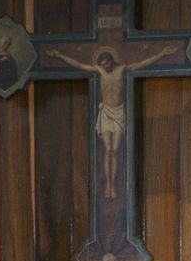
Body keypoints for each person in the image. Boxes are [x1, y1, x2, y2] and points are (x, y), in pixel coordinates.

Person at [46, 45, 177, 199]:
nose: (105, 67)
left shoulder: (122, 69)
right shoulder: (100, 71)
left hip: (119, 112)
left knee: (115, 150)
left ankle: (113, 184)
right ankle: (108, 184)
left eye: (106, 64)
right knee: (107, 150)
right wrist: (59, 54)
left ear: (111, 60)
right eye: (102, 65)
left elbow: (142, 63)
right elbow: (79, 65)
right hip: (106, 112)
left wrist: (162, 52)